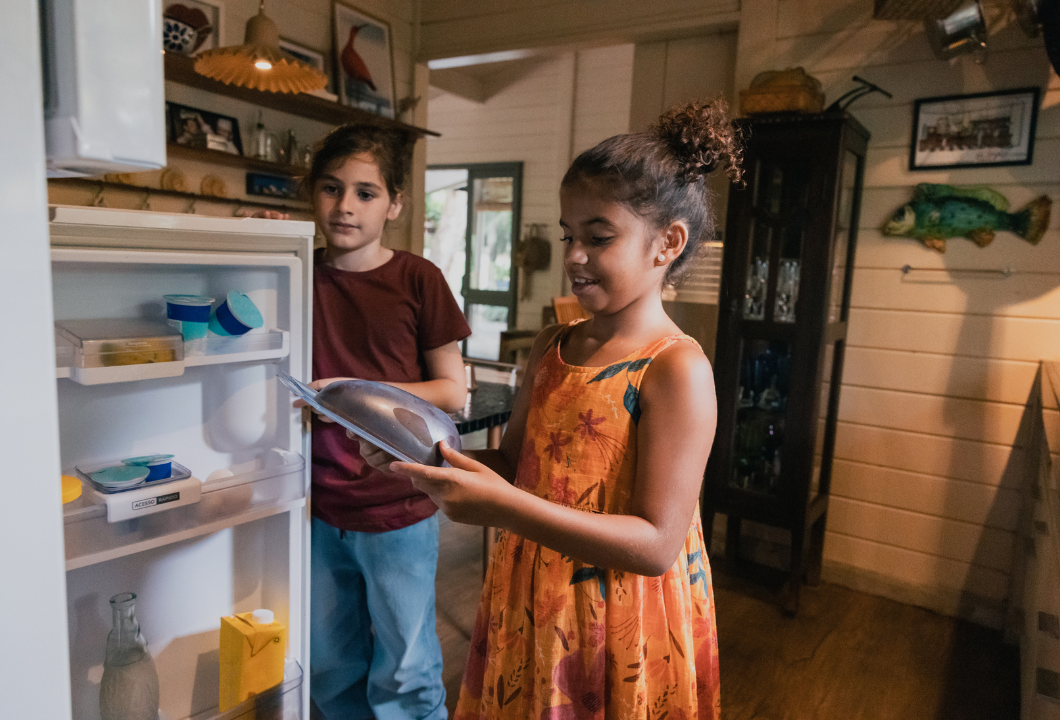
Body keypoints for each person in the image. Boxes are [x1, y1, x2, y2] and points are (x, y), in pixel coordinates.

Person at [356, 100, 742, 718]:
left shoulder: (676, 368)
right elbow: (516, 464)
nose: (574, 256)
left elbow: (655, 545)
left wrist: (507, 508)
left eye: (599, 236)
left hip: (615, 612)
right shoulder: (553, 346)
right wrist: (418, 456)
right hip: (529, 589)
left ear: (667, 243)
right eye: (569, 234)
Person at [298, 123, 471, 720]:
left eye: (365, 192)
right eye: (331, 187)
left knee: (406, 669)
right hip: (313, 501)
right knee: (328, 664)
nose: (345, 206)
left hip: (397, 500)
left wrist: (352, 394)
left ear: (394, 203)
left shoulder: (417, 278)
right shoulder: (297, 273)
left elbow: (453, 389)